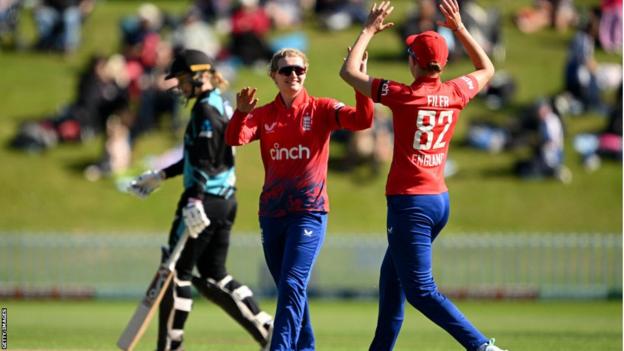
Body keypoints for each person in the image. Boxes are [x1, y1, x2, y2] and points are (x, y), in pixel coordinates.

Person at [340, 1, 508, 351]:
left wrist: (368, 30)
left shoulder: (403, 96)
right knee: (392, 285)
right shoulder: (455, 92)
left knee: (420, 291)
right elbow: (487, 67)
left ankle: (482, 347)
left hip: (410, 204)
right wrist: (460, 27)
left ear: (414, 62)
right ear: (442, 64)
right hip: (438, 201)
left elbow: (348, 72)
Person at [225, 47, 374, 350]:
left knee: (292, 285)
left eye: (299, 70)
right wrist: (240, 113)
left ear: (306, 72)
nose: (293, 75)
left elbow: (362, 120)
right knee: (290, 289)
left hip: (309, 211)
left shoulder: (321, 108)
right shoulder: (264, 115)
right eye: (286, 70)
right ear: (273, 76)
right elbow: (234, 139)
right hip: (272, 213)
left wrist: (360, 83)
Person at [127, 49, 273, 351]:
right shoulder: (221, 103)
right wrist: (162, 175)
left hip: (203, 201)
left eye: (181, 80)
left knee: (175, 273)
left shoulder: (205, 109)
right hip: (225, 201)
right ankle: (266, 328)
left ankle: (170, 344)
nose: (179, 87)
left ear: (197, 76)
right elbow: (201, 157)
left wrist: (194, 199)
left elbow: (205, 161)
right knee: (214, 274)